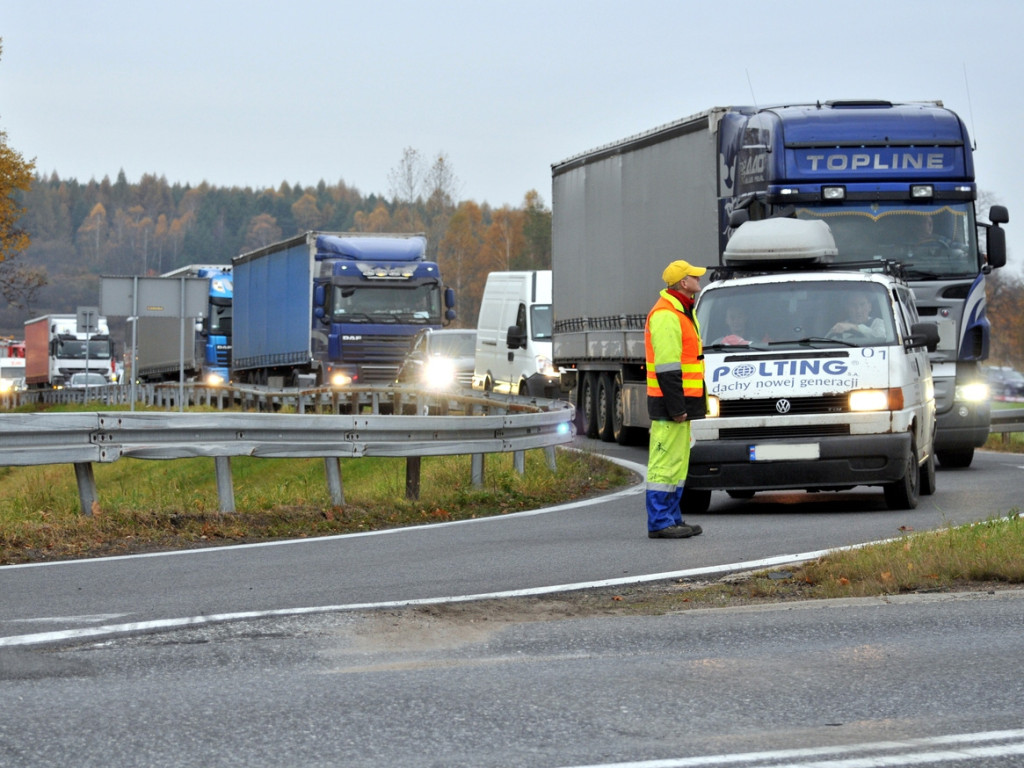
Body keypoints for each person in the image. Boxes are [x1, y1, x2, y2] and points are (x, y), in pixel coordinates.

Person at [644, 259, 708, 539]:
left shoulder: (682, 310)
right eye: (694, 276)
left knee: (677, 463)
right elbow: (667, 368)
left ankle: (672, 517)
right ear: (683, 283)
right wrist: (677, 407)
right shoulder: (667, 314)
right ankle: (660, 522)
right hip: (671, 405)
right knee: (663, 465)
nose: (698, 278)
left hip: (681, 403)